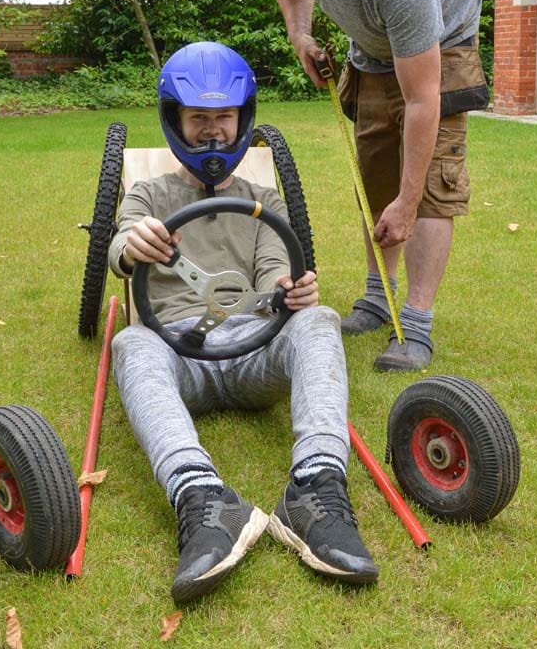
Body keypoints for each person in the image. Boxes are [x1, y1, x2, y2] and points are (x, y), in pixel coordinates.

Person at [108, 41, 378, 604]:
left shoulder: (264, 199)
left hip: (254, 346)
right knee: (130, 342)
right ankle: (201, 497)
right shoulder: (148, 194)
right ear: (175, 120)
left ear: (242, 119)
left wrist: (290, 290)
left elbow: (278, 268)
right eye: (198, 118)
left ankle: (316, 488)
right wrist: (135, 243)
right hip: (179, 351)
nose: (212, 132)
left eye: (224, 117)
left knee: (320, 318)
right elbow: (120, 247)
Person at [261, 0, 489, 372]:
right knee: (374, 176)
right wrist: (300, 35)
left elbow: (422, 98)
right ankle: (375, 298)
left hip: (442, 43)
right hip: (372, 46)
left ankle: (417, 320)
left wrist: (407, 203)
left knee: (426, 187)